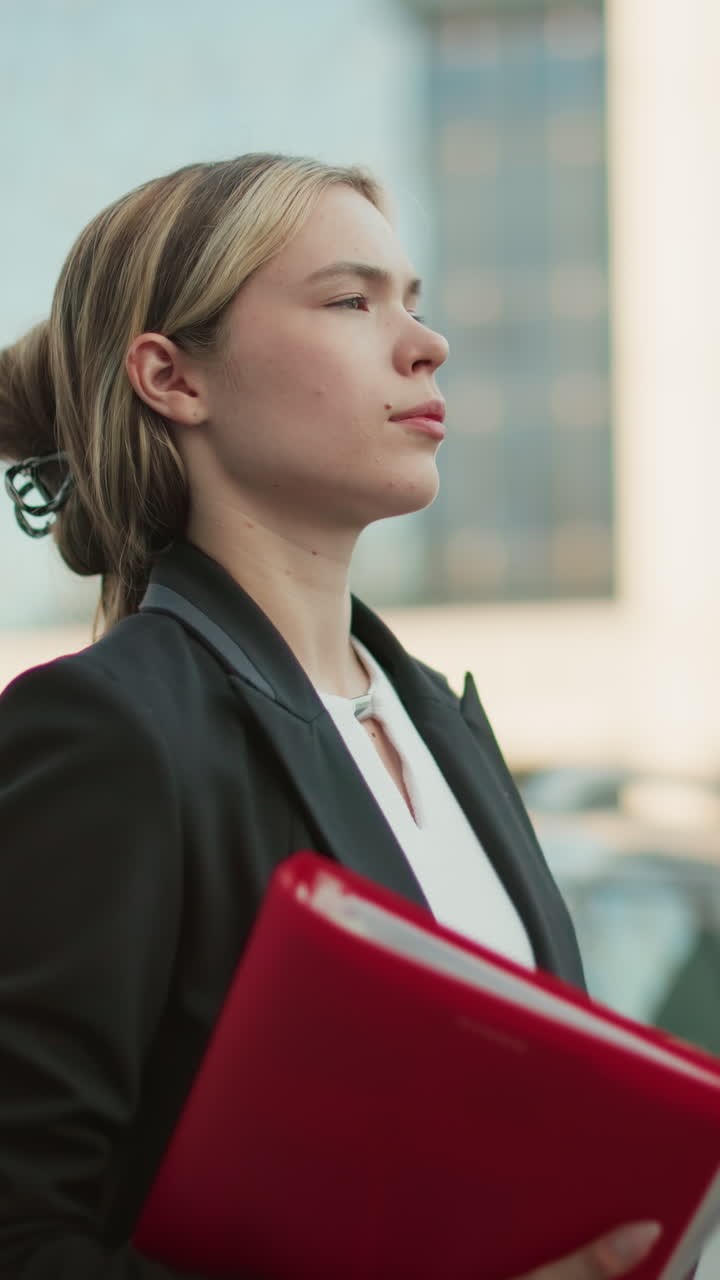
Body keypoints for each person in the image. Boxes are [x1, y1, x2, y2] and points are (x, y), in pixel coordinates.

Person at [0, 153, 662, 1279]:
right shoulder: (107, 734)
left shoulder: (441, 729)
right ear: (174, 375)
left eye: (415, 301)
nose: (425, 342)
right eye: (352, 300)